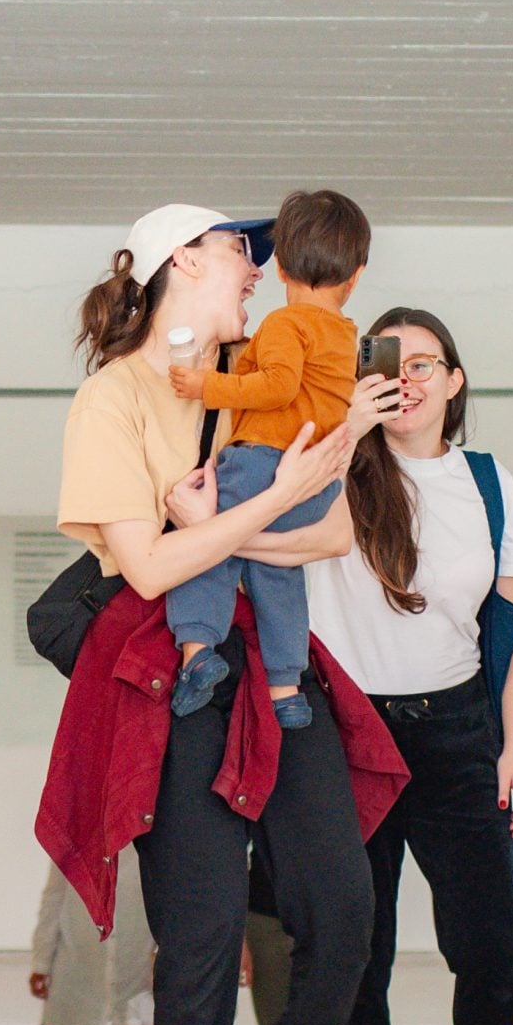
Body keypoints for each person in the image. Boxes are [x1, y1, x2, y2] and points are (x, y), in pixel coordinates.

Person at [37, 204, 408, 1025]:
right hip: (178, 674)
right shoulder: (111, 400)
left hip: (278, 662)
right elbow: (151, 565)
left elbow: (331, 535)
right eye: (240, 250)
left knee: (344, 897)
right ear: (184, 261)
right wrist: (259, 506)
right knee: (198, 921)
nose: (258, 266)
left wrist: (236, 521)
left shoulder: (272, 364)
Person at [308, 306, 513, 1025]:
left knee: (492, 939)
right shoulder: (334, 465)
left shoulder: (488, 484)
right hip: (348, 734)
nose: (405, 377)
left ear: (453, 381)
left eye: (424, 363)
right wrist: (347, 427)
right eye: (386, 361)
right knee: (354, 946)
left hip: (456, 734)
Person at [164, 189, 369, 728]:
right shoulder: (346, 334)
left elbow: (277, 387)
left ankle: (196, 652)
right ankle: (286, 688)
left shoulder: (286, 323)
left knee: (210, 544)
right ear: (357, 275)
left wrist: (205, 386)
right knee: (277, 573)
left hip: (265, 465)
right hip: (315, 488)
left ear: (279, 267)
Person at [27, 847, 150, 1025]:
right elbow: (54, 897)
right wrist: (41, 961)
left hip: (136, 976)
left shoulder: (158, 833)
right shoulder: (73, 827)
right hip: (75, 971)